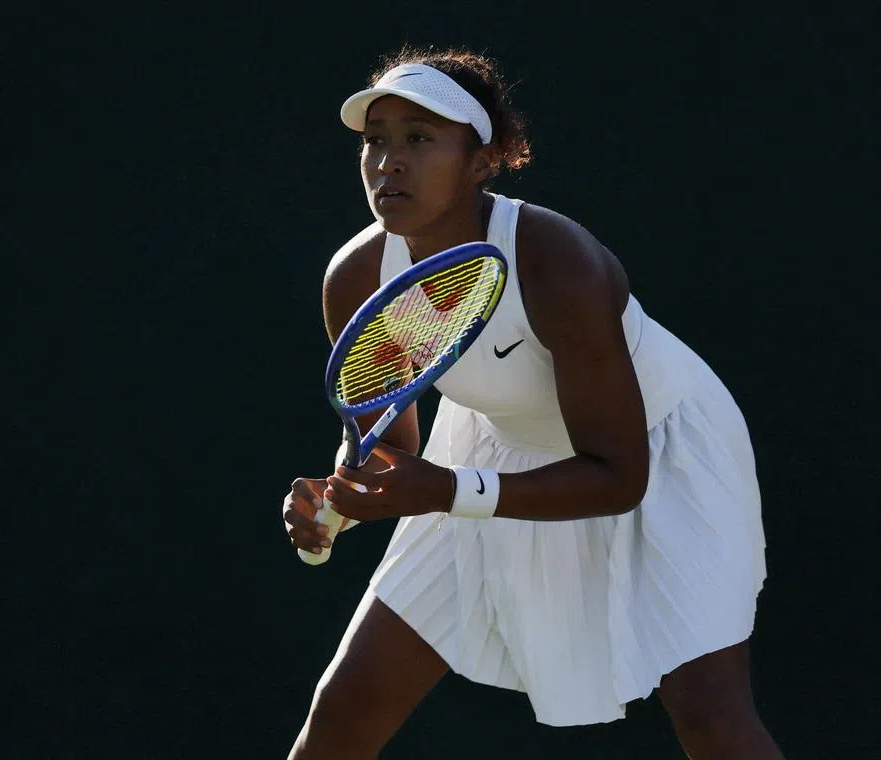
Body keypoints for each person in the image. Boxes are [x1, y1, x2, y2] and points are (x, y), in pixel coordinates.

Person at [281, 45, 783, 759]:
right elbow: (390, 446)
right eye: (375, 141)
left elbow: (617, 475)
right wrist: (337, 503)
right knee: (347, 704)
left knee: (712, 716)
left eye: (419, 140)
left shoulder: (557, 265)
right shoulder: (363, 278)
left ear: (484, 160)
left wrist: (448, 491)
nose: (389, 162)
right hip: (487, 450)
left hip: (657, 451)